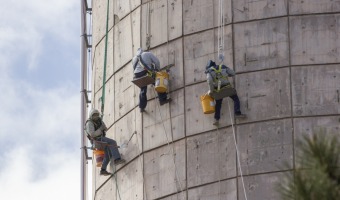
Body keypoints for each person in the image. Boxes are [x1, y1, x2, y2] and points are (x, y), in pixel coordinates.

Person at [85, 108, 125, 176]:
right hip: (97, 140)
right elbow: (92, 134)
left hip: (101, 139)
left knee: (108, 154)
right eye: (94, 115)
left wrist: (103, 128)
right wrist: (101, 129)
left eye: (97, 115)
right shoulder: (89, 123)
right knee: (112, 142)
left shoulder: (99, 120)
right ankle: (117, 159)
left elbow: (104, 128)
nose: (96, 116)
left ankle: (103, 170)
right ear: (91, 116)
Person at [205, 60, 245, 125]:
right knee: (235, 98)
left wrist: (211, 91)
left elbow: (209, 81)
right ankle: (237, 113)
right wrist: (226, 74)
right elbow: (233, 73)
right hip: (227, 88)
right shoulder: (223, 67)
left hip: (218, 91)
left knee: (218, 104)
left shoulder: (209, 71)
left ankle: (216, 120)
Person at [132, 48, 171, 112]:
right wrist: (157, 70)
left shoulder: (134, 59)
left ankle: (142, 107)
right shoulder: (147, 54)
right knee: (157, 82)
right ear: (143, 51)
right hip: (145, 73)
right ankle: (162, 99)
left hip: (137, 76)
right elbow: (157, 62)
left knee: (143, 90)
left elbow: (134, 69)